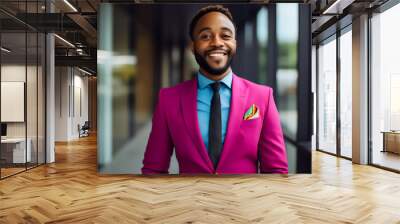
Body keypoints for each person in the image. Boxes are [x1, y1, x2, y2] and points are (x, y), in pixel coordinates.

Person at [142, 5, 288, 174]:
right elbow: (153, 169)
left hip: (245, 198)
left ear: (234, 43)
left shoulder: (263, 97)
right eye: (205, 36)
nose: (217, 42)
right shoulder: (169, 99)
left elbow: (276, 170)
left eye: (225, 36)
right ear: (193, 46)